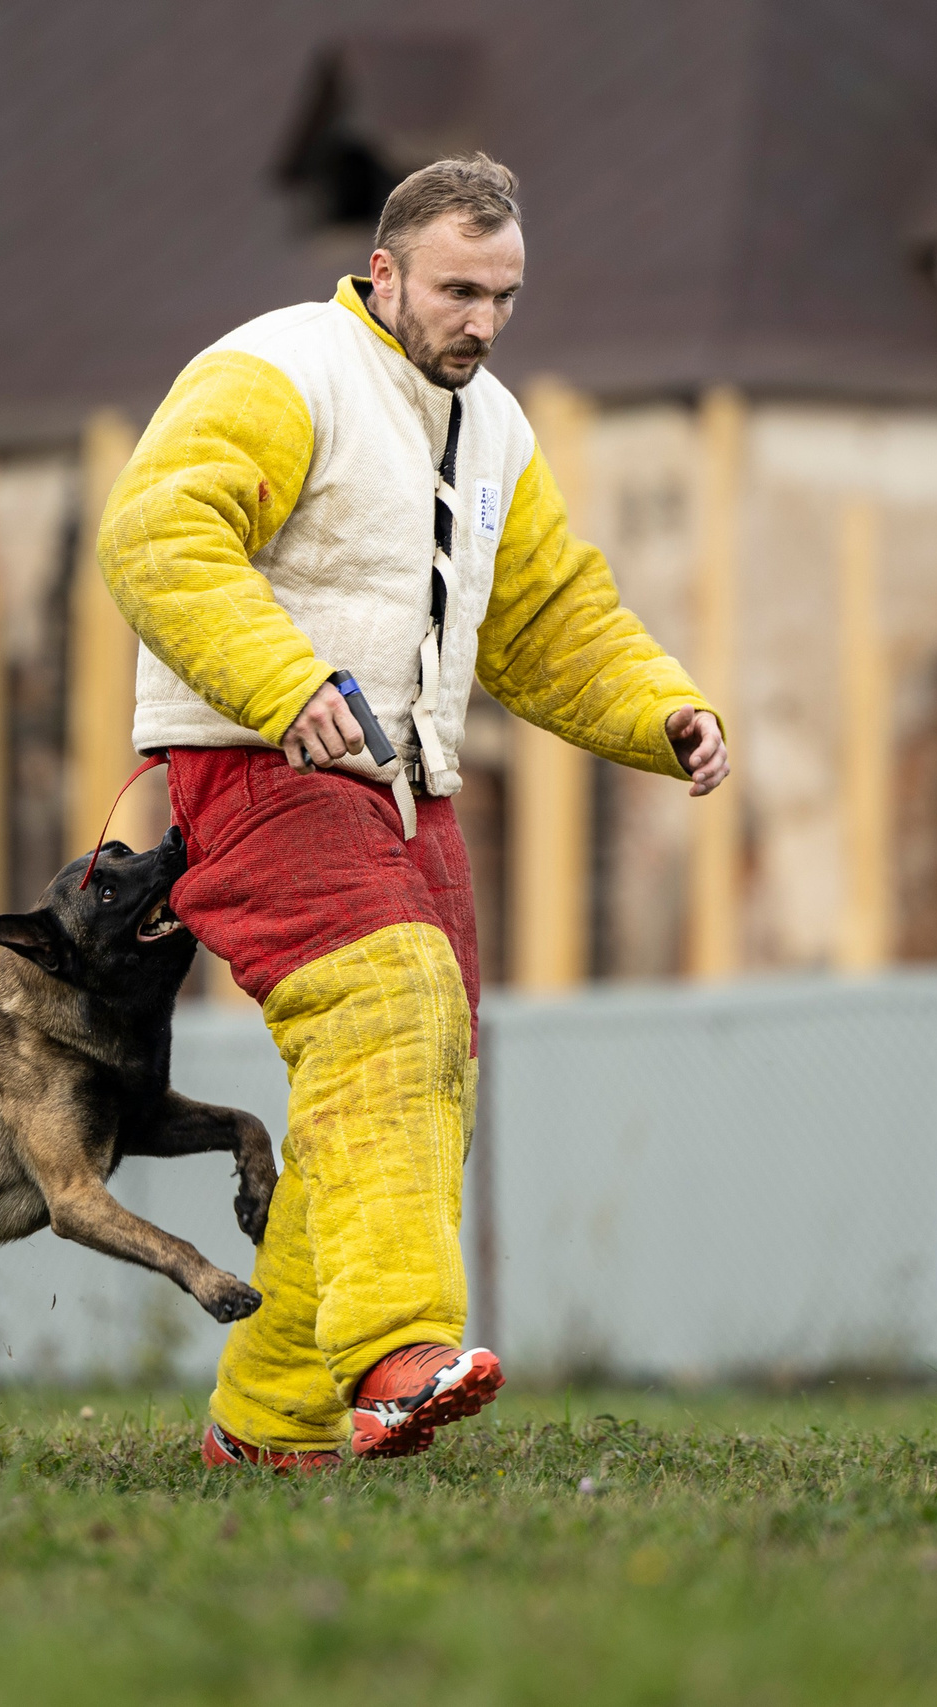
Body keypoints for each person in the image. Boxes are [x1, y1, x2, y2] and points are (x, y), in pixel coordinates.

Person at [100, 154, 729, 1469]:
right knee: (386, 1011)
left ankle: (270, 1420)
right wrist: (285, 685)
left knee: (411, 1074)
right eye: (457, 291)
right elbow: (159, 534)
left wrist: (660, 710)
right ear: (382, 272)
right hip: (259, 758)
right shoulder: (278, 368)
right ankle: (396, 1357)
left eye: (504, 296)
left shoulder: (494, 423)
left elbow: (550, 616)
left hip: (410, 784)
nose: (483, 323)